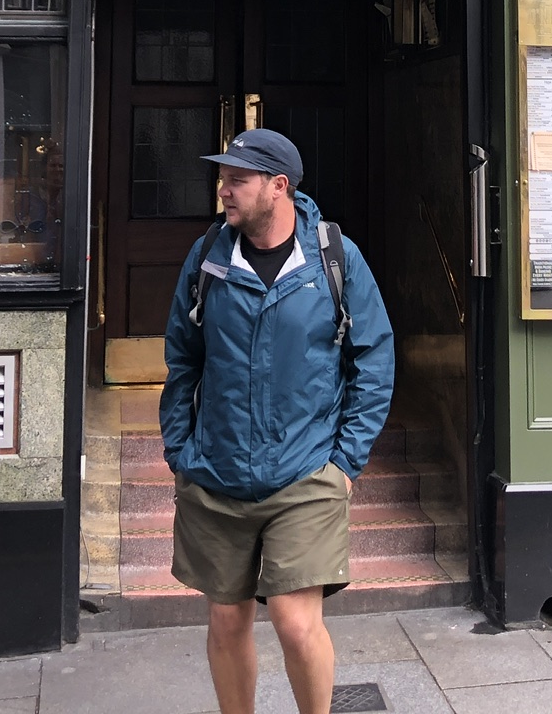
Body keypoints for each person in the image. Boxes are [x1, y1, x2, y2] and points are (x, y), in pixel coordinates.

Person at [161, 129, 395, 714]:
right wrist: (180, 450)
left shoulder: (334, 257)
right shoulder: (209, 257)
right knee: (226, 618)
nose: (223, 190)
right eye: (223, 178)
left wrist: (345, 462)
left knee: (294, 621)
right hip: (217, 470)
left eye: (237, 180)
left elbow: (374, 358)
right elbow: (183, 357)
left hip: (305, 470)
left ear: (278, 187)